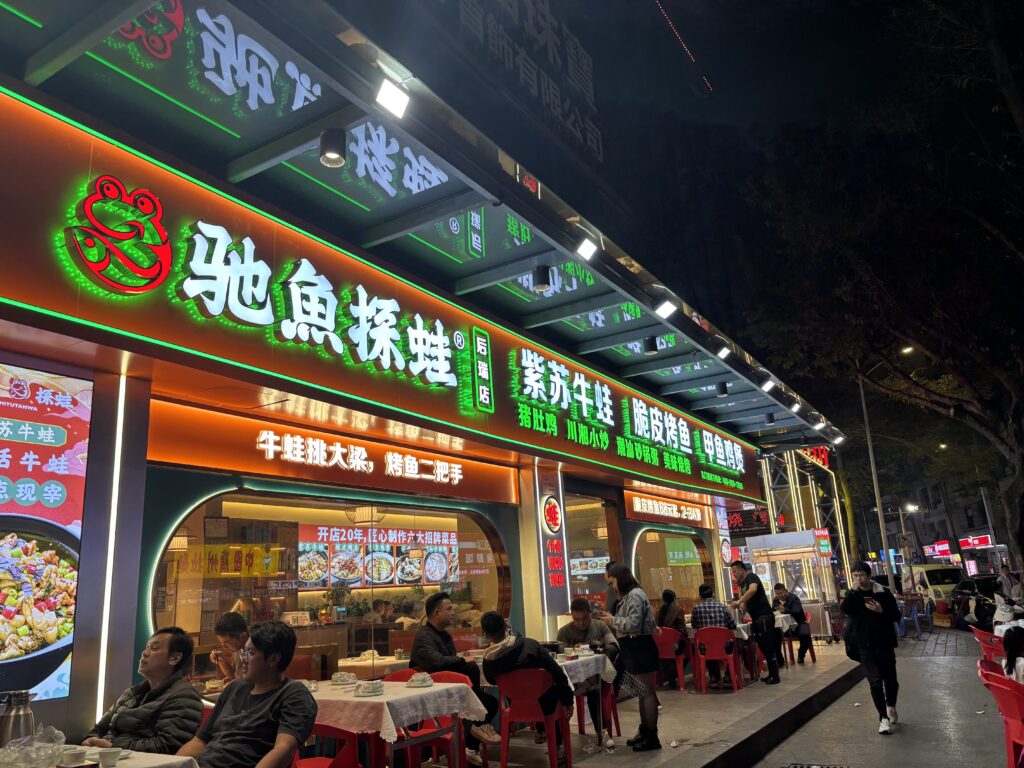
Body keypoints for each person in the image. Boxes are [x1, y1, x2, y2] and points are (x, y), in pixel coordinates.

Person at [177, 620, 317, 768]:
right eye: (244, 652)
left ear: (274, 659)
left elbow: (283, 750)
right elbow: (199, 741)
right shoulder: (234, 688)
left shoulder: (293, 695)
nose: (243, 659)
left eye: (251, 653)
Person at [410, 592, 500, 766]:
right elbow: (436, 662)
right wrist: (462, 660)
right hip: (434, 695)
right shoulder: (424, 637)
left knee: (490, 703)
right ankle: (472, 727)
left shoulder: (445, 635)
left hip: (451, 691)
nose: (453, 613)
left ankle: (470, 746)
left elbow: (449, 662)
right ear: (436, 613)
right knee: (471, 669)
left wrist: (461, 661)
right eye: (449, 609)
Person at [84, 627, 203, 753]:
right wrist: (91, 739)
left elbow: (167, 745)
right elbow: (99, 728)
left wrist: (113, 747)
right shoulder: (132, 692)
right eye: (147, 647)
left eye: (154, 648)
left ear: (174, 658)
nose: (145, 653)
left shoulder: (185, 697)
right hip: (107, 756)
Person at [481, 612, 574, 763]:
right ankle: (557, 746)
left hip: (516, 706)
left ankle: (541, 730)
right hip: (546, 706)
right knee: (551, 688)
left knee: (522, 691)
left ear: (485, 634)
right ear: (506, 626)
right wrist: (568, 701)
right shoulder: (530, 645)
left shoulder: (488, 660)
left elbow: (492, 680)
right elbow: (557, 673)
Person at [595, 563, 660, 752]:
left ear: (621, 579)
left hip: (640, 647)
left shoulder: (635, 595)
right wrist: (612, 619)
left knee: (647, 693)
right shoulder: (629, 596)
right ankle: (645, 731)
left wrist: (612, 620)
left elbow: (633, 624)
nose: (613, 586)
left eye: (613, 581)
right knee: (641, 693)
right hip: (633, 648)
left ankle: (652, 736)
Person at [841, 561, 902, 735]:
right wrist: (852, 592)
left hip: (884, 643)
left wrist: (881, 610)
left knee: (891, 681)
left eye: (861, 575)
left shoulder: (882, 592)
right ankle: (883, 718)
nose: (858, 579)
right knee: (874, 681)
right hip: (864, 645)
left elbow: (896, 616)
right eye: (855, 576)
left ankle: (891, 705)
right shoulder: (853, 594)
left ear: (868, 575)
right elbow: (845, 609)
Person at [556, 598, 619, 748]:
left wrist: (596, 650)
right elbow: (561, 655)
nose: (581, 623)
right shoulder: (564, 632)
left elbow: (614, 646)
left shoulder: (600, 626)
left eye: (585, 618)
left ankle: (602, 732)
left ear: (590, 613)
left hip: (596, 678)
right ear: (571, 615)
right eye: (576, 619)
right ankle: (557, 742)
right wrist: (574, 650)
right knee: (556, 694)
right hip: (572, 679)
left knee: (594, 692)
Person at [729, 561, 780, 685]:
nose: (734, 575)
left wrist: (739, 601)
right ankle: (772, 674)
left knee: (767, 646)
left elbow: (753, 590)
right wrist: (741, 611)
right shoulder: (741, 584)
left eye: (735, 571)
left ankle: (775, 676)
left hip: (764, 617)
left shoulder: (751, 577)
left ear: (742, 570)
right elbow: (747, 603)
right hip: (757, 618)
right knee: (762, 646)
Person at [690, 584, 737, 688]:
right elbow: (733, 625)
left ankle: (714, 676)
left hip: (705, 648)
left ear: (700, 596)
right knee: (737, 645)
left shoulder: (696, 609)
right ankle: (728, 675)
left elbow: (694, 626)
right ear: (713, 594)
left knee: (707, 644)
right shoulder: (722, 607)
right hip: (724, 646)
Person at [655, 590, 688, 688]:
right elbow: (682, 631)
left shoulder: (657, 613)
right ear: (674, 599)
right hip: (673, 646)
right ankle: (674, 673)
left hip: (660, 647)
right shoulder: (678, 611)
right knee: (690, 649)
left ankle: (670, 674)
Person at [773, 584, 812, 664]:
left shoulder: (794, 598)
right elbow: (773, 611)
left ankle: (801, 654)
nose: (779, 596)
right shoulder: (775, 600)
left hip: (799, 623)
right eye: (777, 594)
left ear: (786, 591)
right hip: (784, 625)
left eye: (781, 593)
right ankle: (779, 659)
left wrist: (785, 610)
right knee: (773, 635)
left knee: (805, 635)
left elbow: (797, 611)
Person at [210, 612, 249, 682]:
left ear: (243, 637)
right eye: (221, 643)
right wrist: (221, 660)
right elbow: (234, 676)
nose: (224, 647)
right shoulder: (237, 649)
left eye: (227, 643)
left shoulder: (255, 654)